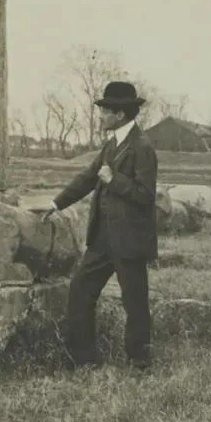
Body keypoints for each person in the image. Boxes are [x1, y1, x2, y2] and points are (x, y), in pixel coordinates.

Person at [42, 80, 157, 371]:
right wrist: (55, 204)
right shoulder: (110, 145)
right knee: (80, 291)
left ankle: (140, 361)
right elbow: (87, 178)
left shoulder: (142, 147)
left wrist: (113, 180)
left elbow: (145, 195)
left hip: (129, 240)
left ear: (120, 114)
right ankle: (84, 360)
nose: (101, 115)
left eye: (105, 111)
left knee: (134, 302)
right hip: (103, 239)